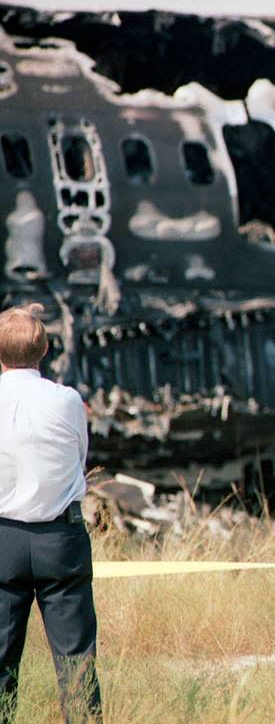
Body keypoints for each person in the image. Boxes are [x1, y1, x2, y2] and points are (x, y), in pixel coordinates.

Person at [0, 303, 102, 723]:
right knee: (76, 657)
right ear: (44, 351)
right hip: (60, 538)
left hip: (4, 538)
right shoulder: (67, 400)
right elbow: (80, 457)